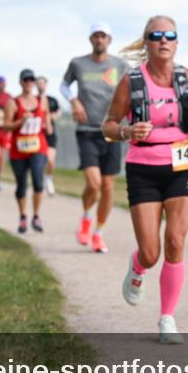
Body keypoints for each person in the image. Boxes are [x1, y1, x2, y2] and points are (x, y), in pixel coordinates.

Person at [103, 15, 188, 344]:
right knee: (151, 252)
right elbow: (108, 125)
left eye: (169, 36)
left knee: (176, 241)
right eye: (156, 36)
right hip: (143, 167)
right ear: (147, 42)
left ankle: (167, 319)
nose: (163, 41)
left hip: (182, 164)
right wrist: (126, 130)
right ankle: (138, 267)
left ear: (177, 43)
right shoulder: (131, 82)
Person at [61, 22, 130, 252]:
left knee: (108, 186)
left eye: (103, 36)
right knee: (94, 182)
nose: (99, 40)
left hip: (110, 130)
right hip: (87, 130)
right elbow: (64, 85)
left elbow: (132, 90)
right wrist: (74, 101)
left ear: (109, 40)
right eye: (95, 36)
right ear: (91, 40)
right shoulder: (78, 63)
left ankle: (98, 233)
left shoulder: (120, 65)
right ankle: (86, 219)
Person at [4, 69, 52, 233]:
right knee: (21, 185)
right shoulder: (13, 102)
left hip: (38, 146)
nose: (29, 82)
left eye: (31, 79)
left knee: (38, 182)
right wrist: (21, 121)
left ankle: (36, 216)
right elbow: (6, 125)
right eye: (26, 80)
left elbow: (46, 121)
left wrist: (47, 125)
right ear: (20, 82)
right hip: (18, 149)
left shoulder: (41, 100)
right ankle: (23, 216)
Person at [36, 75, 62, 196]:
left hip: (49, 134)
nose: (41, 85)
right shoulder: (33, 99)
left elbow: (58, 114)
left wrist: (49, 117)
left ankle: (48, 179)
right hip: (36, 134)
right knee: (38, 161)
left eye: (43, 83)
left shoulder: (52, 100)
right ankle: (38, 182)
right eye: (38, 83)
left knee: (51, 160)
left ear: (46, 85)